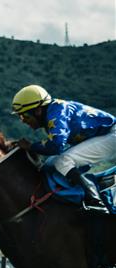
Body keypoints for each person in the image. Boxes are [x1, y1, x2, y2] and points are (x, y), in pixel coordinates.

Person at [13, 85, 116, 214]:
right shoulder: (54, 110)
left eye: (24, 116)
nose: (23, 121)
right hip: (105, 134)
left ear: (38, 110)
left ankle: (95, 201)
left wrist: (31, 146)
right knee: (52, 162)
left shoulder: (56, 113)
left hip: (112, 135)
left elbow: (56, 146)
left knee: (63, 160)